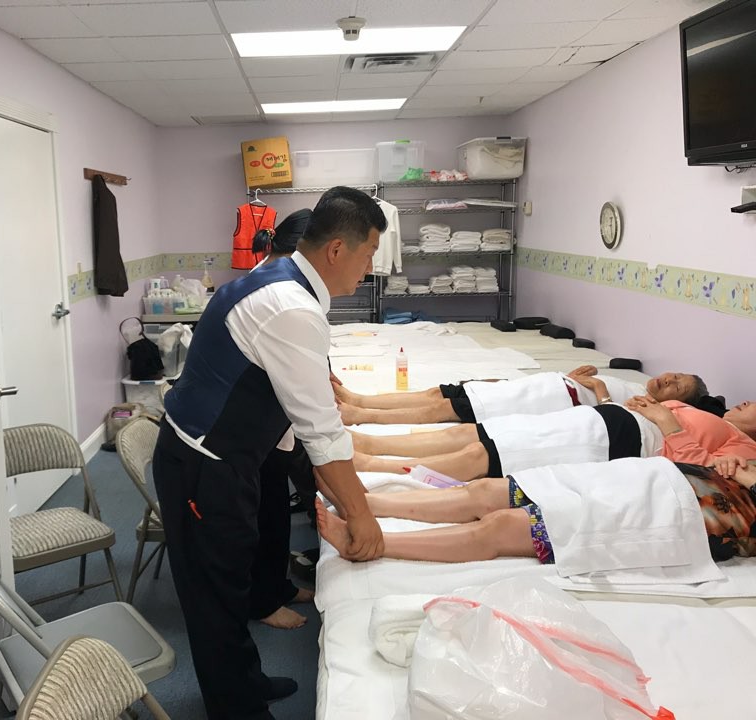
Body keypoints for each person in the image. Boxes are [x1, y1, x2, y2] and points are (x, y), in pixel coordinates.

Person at [152, 186, 387, 720]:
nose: (371, 268)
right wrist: (361, 516)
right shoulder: (290, 307)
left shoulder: (282, 280)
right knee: (215, 596)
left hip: (228, 455)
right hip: (202, 463)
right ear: (337, 250)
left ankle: (248, 682)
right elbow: (321, 433)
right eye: (370, 253)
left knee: (233, 574)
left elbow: (294, 410)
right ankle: (238, 710)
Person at [316, 457, 756, 565]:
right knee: (484, 491)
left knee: (498, 527)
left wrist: (748, 480)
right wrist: (731, 463)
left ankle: (371, 545)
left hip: (675, 514)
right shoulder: (737, 450)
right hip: (643, 478)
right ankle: (366, 505)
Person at [350, 397, 756, 479]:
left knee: (483, 456)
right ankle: (373, 445)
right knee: (476, 433)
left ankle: (380, 467)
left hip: (618, 443)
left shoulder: (746, 450)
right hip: (600, 419)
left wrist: (667, 422)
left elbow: (704, 476)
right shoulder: (717, 418)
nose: (746, 401)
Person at [248, 209, 318, 631]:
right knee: (262, 518)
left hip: (271, 425)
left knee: (275, 512)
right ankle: (262, 600)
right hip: (250, 430)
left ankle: (280, 586)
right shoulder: (270, 293)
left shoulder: (277, 282)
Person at [334, 365, 710, 426]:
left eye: (676, 386)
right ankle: (359, 399)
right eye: (674, 375)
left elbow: (609, 414)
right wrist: (579, 377)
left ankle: (363, 415)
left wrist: (596, 387)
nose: (668, 379)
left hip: (542, 402)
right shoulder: (636, 381)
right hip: (541, 385)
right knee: (438, 392)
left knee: (444, 408)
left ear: (675, 402)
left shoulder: (649, 409)